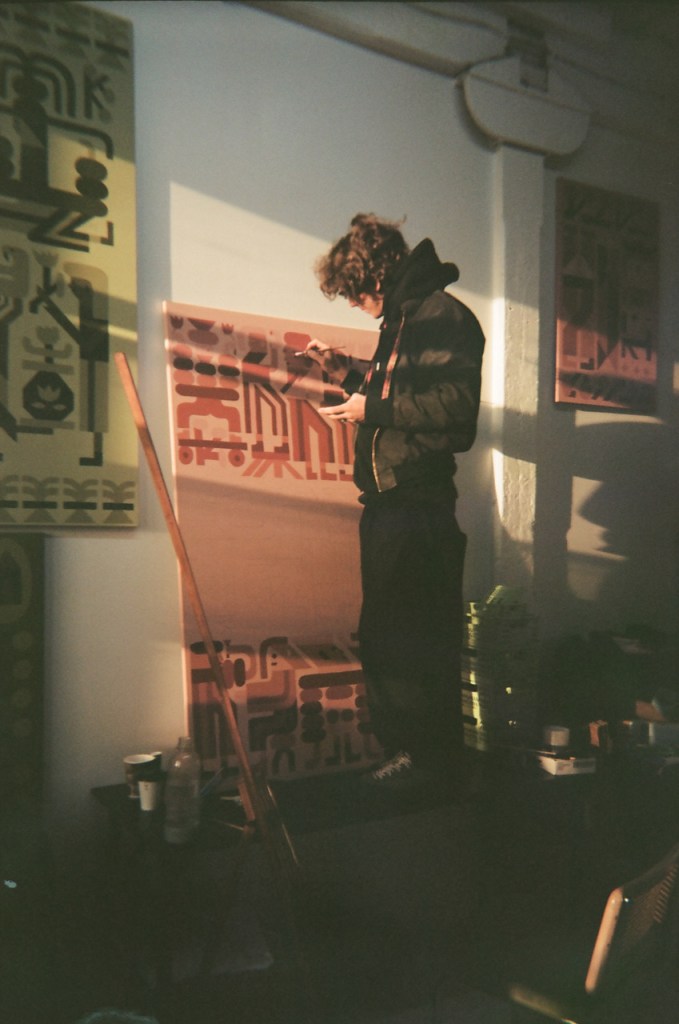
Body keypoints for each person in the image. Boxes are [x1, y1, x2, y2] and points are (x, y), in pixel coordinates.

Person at [305, 213, 485, 786]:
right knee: (391, 636)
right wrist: (342, 372)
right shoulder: (406, 319)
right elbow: (398, 397)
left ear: (374, 276)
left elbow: (456, 417)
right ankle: (412, 759)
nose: (356, 305)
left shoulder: (442, 317)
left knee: (411, 641)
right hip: (391, 503)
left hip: (417, 505)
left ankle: (421, 763)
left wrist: (368, 409)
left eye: (354, 293)